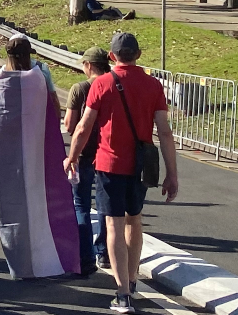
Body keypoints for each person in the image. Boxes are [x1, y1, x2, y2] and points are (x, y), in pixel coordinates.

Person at [65, 33, 178, 313]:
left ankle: (122, 293)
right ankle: (132, 278)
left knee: (113, 225)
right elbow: (164, 132)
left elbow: (83, 127)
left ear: (113, 57)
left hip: (108, 164)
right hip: (140, 166)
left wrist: (72, 157)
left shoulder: (101, 84)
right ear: (138, 55)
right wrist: (172, 174)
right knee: (134, 221)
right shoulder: (153, 85)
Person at [0, 37, 80, 280]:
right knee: (43, 202)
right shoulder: (40, 73)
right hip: (39, 147)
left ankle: (19, 262)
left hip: (10, 153)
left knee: (13, 206)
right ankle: (47, 259)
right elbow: (52, 104)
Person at [64, 47, 111, 275]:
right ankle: (104, 252)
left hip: (83, 153)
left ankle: (86, 257)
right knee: (104, 204)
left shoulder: (80, 88)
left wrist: (71, 154)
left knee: (81, 203)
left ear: (89, 65)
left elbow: (71, 125)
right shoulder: (113, 85)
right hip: (106, 152)